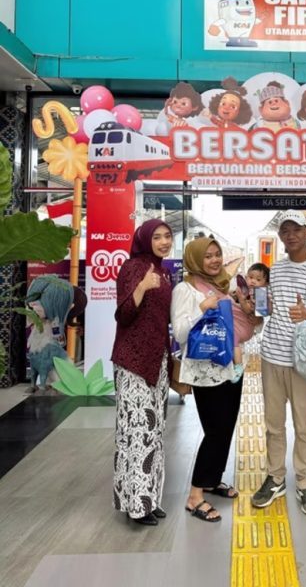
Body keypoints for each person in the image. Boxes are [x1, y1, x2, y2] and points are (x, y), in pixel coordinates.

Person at [251, 210, 306, 516]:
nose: (291, 235)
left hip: (303, 359)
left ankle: (305, 482)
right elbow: (270, 309)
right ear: (280, 236)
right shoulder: (275, 269)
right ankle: (275, 478)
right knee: (273, 424)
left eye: (296, 229)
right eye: (285, 230)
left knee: (303, 425)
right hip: (272, 356)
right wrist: (257, 304)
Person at [171, 237, 258, 523]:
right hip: (205, 372)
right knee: (215, 431)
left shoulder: (222, 286)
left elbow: (239, 329)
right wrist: (202, 307)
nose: (214, 260)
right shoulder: (185, 290)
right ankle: (195, 496)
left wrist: (246, 309)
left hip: (230, 368)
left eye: (217, 254)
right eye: (207, 256)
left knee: (226, 427)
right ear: (195, 259)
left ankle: (211, 480)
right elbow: (179, 333)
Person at [111, 219, 174, 526]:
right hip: (134, 361)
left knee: (154, 431)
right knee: (137, 433)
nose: (164, 241)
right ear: (145, 239)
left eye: (168, 236)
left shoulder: (164, 271)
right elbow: (123, 314)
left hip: (157, 360)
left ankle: (149, 498)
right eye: (157, 237)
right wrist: (141, 287)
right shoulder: (133, 267)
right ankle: (137, 506)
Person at [232, 262, 270, 372]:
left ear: (266, 284)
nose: (253, 281)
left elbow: (248, 310)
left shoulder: (261, 294)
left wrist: (241, 299)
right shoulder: (247, 290)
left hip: (247, 327)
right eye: (251, 277)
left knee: (233, 339)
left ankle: (238, 366)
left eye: (258, 280)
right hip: (244, 327)